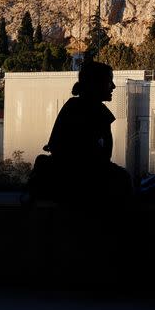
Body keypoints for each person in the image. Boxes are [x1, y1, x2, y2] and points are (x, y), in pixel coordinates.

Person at [43, 60, 133, 209]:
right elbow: (105, 156)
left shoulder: (71, 106)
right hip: (83, 188)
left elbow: (56, 146)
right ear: (96, 84)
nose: (113, 86)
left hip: (66, 185)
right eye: (109, 81)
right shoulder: (97, 112)